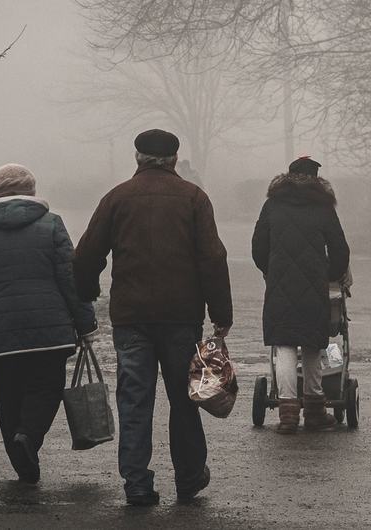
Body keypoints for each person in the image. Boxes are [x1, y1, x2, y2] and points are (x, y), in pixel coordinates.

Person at [74, 129, 233, 506]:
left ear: (137, 158)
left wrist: (87, 293)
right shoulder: (195, 198)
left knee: (135, 399)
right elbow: (212, 258)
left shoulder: (117, 198)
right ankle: (190, 477)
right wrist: (220, 314)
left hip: (131, 317)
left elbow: (85, 256)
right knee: (185, 398)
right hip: (181, 316)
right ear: (175, 160)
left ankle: (137, 483)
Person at [0, 163, 97, 484]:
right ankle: (29, 437)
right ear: (31, 191)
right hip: (49, 333)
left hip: (1, 338)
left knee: (8, 399)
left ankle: (24, 464)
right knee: (46, 390)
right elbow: (71, 278)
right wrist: (86, 325)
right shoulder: (52, 225)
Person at [251, 156, 350, 434]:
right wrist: (331, 273)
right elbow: (340, 249)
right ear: (316, 180)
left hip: (280, 285)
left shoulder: (273, 205)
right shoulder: (323, 207)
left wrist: (269, 270)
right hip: (313, 285)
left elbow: (258, 245)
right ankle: (315, 409)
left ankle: (288, 414)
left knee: (283, 344)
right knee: (311, 344)